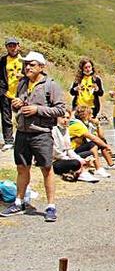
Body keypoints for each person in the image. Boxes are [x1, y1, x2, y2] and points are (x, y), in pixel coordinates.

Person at [0, 51, 66, 222]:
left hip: (42, 134)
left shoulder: (51, 85)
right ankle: (19, 202)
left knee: (46, 169)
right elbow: (18, 107)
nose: (27, 66)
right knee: (21, 168)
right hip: (22, 132)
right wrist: (16, 105)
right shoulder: (22, 83)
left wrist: (37, 109)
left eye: (32, 64)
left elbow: (60, 110)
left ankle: (51, 206)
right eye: (26, 64)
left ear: (41, 67)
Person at [69, 104, 115, 174]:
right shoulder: (77, 125)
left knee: (101, 142)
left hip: (78, 148)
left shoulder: (86, 123)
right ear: (85, 115)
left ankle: (111, 164)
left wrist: (98, 125)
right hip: (71, 151)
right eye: (90, 114)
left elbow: (101, 136)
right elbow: (93, 138)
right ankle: (98, 168)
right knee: (93, 144)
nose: (92, 116)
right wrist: (107, 146)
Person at [51, 111, 99, 183]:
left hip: (64, 157)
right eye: (63, 117)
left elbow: (69, 150)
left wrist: (80, 159)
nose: (65, 120)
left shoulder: (66, 130)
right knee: (75, 163)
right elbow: (56, 153)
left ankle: (81, 171)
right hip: (54, 160)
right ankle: (81, 172)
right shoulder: (53, 131)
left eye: (67, 118)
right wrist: (71, 159)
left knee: (87, 156)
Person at [0, 37, 22, 151]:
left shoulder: (24, 59)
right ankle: (8, 140)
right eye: (10, 46)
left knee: (22, 117)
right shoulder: (3, 60)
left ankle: (22, 140)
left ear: (18, 46)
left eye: (14, 45)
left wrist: (22, 77)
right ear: (6, 47)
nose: (12, 48)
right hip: (6, 92)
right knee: (6, 117)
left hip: (21, 93)